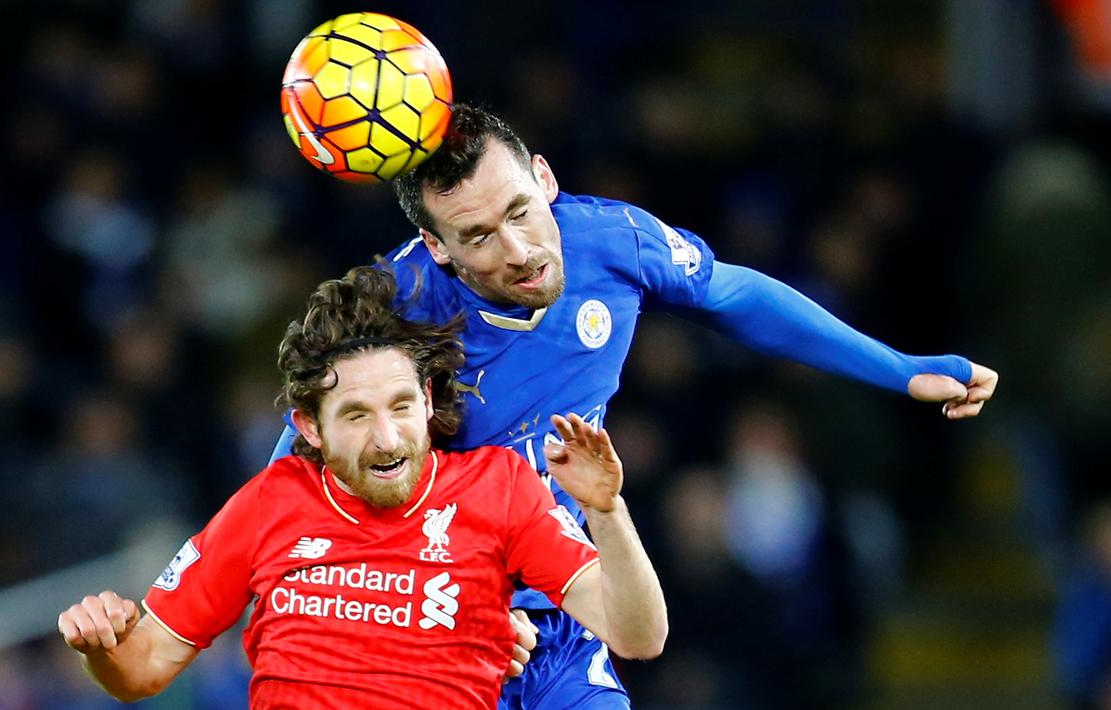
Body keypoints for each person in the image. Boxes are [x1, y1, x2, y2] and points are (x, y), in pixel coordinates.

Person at [269, 103, 1000, 709]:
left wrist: (898, 369)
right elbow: (285, 506)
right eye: (479, 237)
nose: (519, 249)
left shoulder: (609, 243)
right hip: (426, 635)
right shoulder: (391, 314)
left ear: (544, 178)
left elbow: (733, 294)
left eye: (521, 211)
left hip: (562, 618)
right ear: (435, 245)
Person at [56, 266, 667, 709]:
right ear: (309, 428)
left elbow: (639, 635)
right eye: (355, 415)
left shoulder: (498, 488)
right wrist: (103, 646)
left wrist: (605, 508)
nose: (386, 437)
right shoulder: (271, 502)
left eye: (401, 407)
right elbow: (142, 669)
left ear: (427, 402)